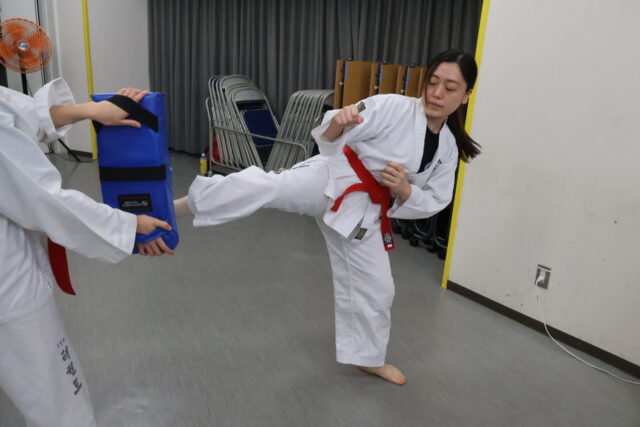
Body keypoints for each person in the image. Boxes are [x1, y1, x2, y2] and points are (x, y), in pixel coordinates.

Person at [174, 49, 481, 385]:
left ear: (466, 95)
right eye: (433, 82)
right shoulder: (392, 106)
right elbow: (330, 137)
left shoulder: (448, 147)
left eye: (450, 88)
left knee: (378, 288)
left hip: (364, 213)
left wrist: (406, 191)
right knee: (267, 186)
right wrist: (338, 123)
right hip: (332, 177)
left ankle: (367, 358)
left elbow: (436, 199)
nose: (436, 93)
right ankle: (179, 208)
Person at [0, 78, 173, 427]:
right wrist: (127, 225)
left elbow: (16, 116)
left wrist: (91, 111)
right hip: (8, 288)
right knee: (61, 408)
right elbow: (43, 199)